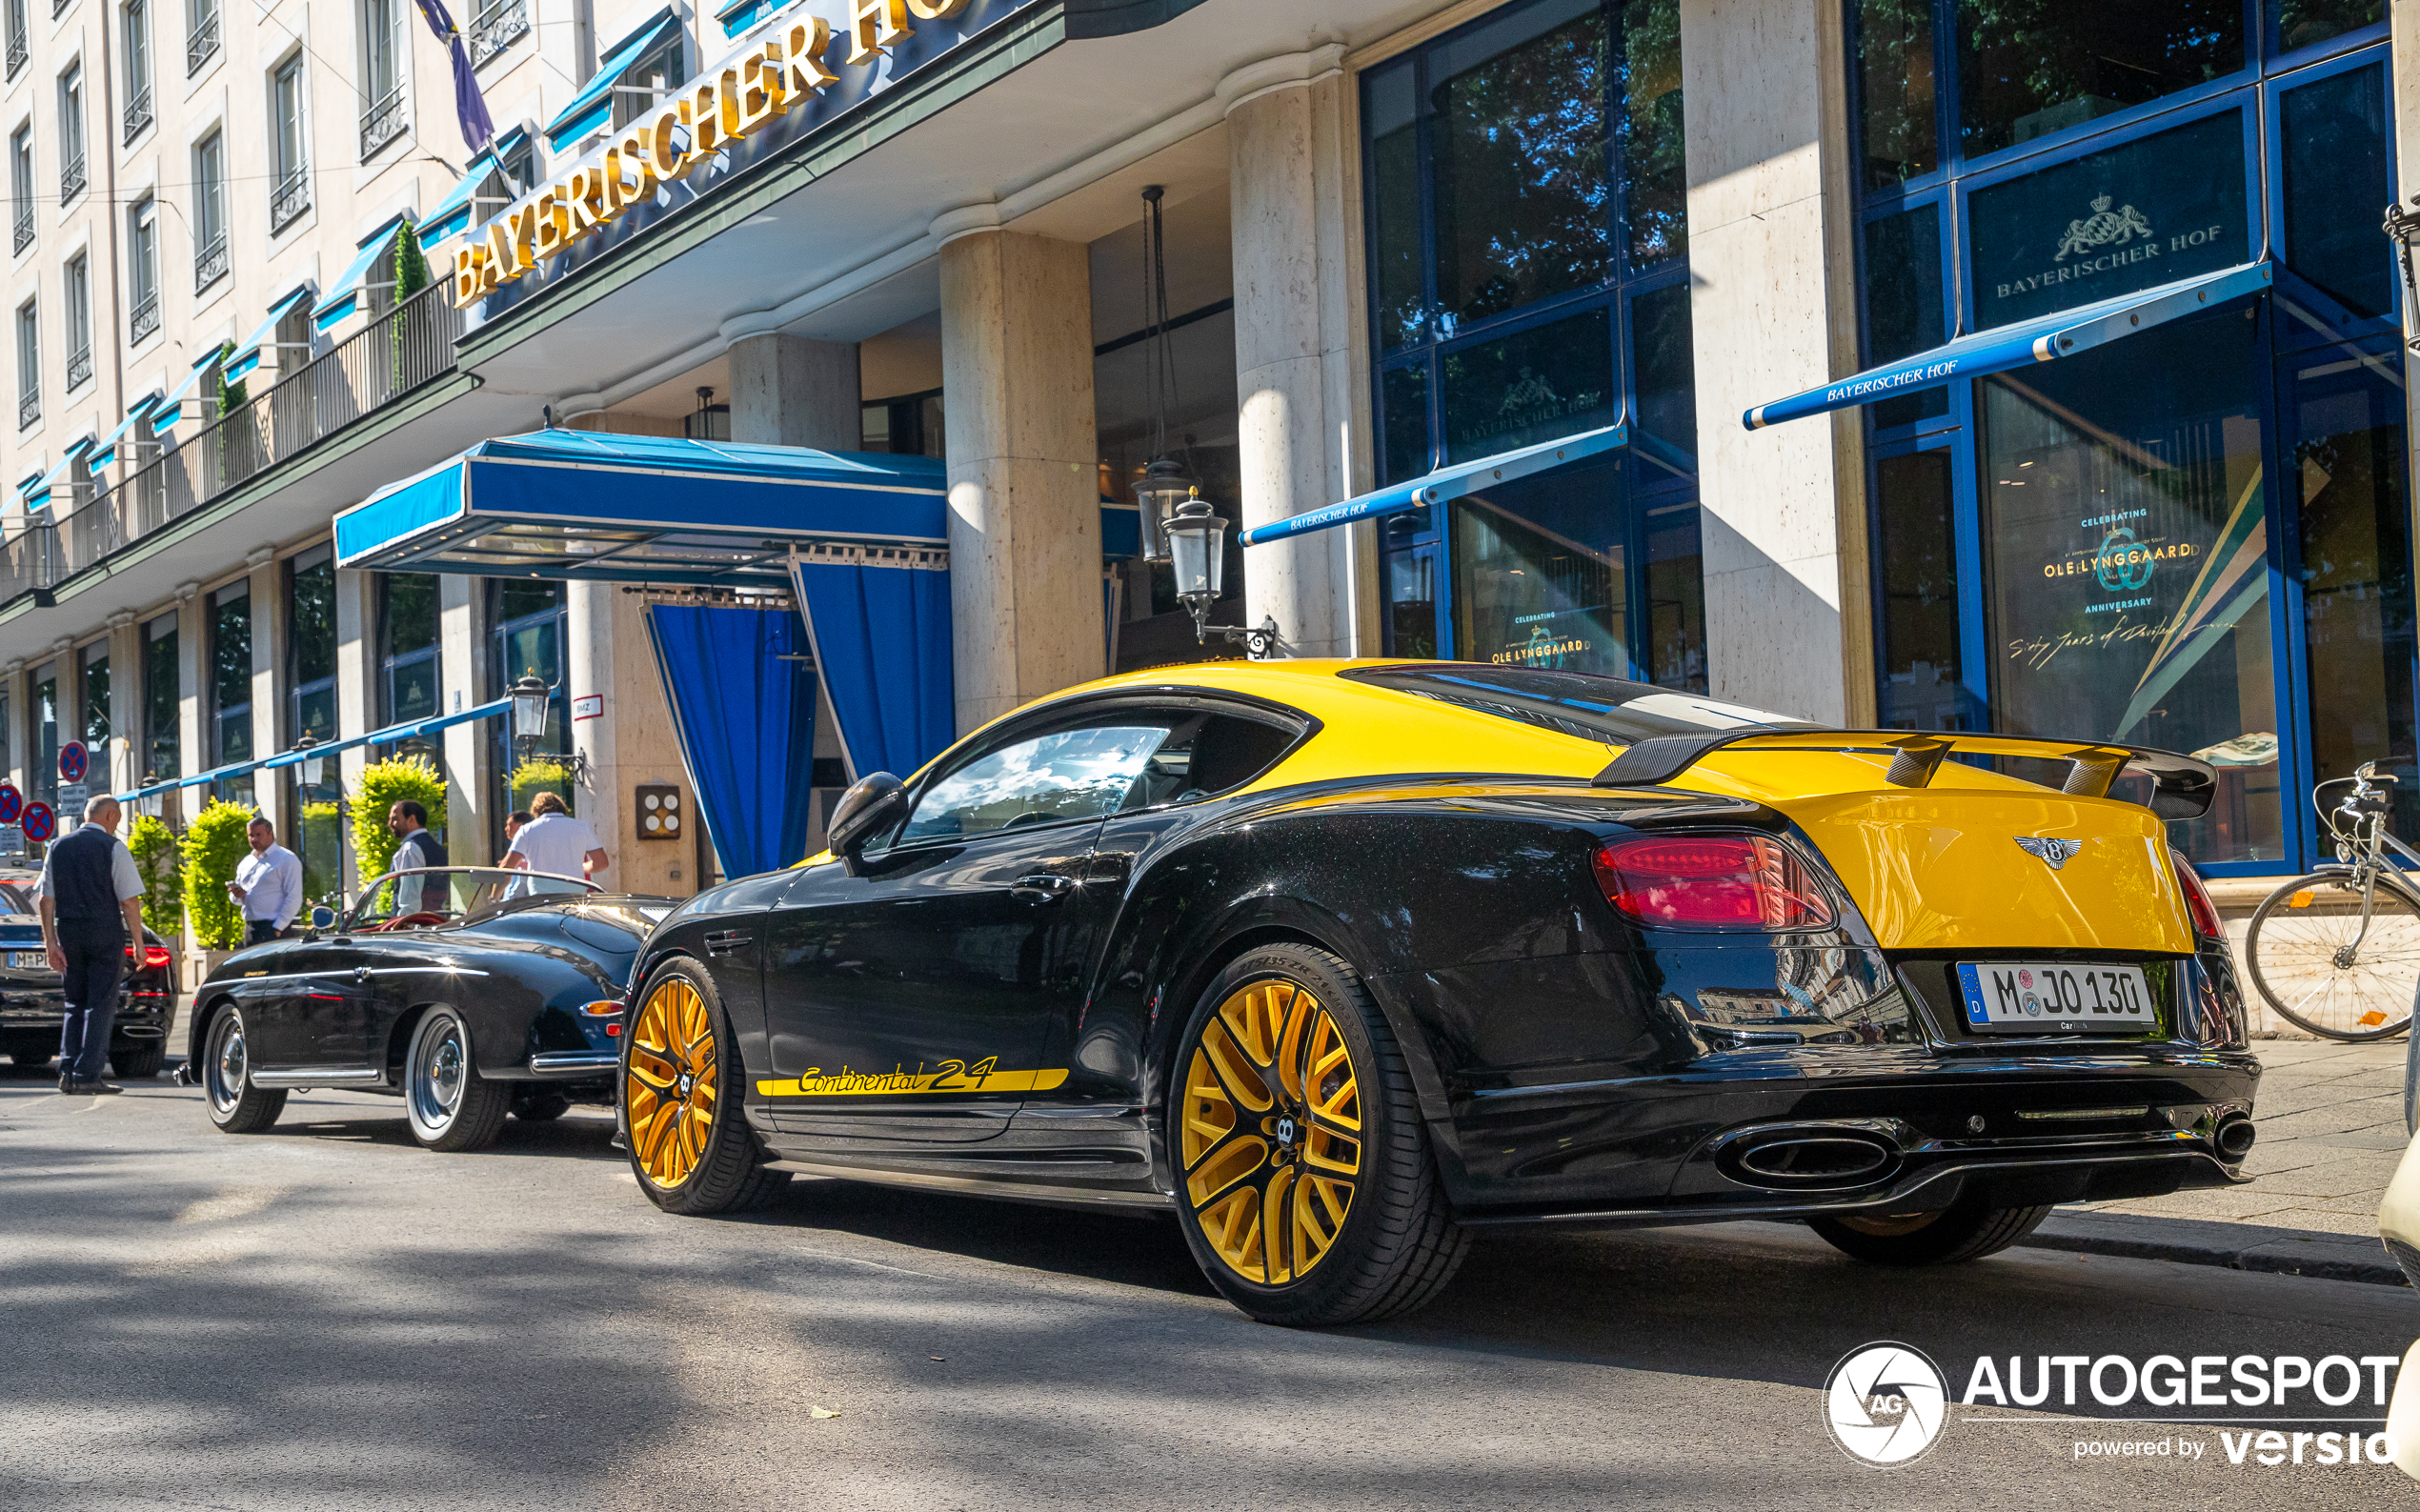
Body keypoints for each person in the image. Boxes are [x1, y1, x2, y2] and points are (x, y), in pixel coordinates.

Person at [36, 796, 147, 1096]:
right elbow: (129, 901)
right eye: (118, 820)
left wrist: (51, 942)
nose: (117, 827)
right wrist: (138, 943)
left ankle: (68, 1071)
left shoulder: (57, 847)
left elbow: (46, 899)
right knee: (100, 1004)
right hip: (103, 931)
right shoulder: (113, 848)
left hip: (69, 931)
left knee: (74, 1003)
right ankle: (87, 1075)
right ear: (110, 815)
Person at [226, 817, 303, 944]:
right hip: (250, 926)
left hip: (273, 927)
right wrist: (236, 896)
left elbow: (294, 896)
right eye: (251, 835)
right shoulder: (247, 862)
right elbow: (237, 900)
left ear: (270, 833)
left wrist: (278, 927)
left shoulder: (286, 859)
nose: (254, 839)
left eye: (258, 835)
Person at [505, 792, 608, 882]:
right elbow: (601, 863)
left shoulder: (527, 829)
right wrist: (581, 867)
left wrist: (494, 898)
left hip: (540, 890)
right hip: (574, 887)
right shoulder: (581, 827)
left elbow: (507, 866)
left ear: (536, 811)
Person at [388, 801, 448, 915]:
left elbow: (410, 897)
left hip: (415, 925)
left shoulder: (410, 848)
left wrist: (403, 924)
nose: (390, 824)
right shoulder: (436, 847)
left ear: (411, 819)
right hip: (434, 920)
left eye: (395, 819)